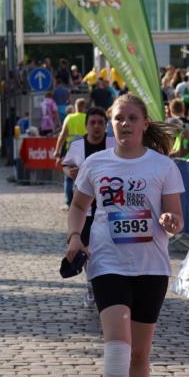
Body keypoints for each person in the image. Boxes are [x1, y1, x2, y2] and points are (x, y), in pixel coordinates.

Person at [64, 93, 184, 377]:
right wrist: (73, 236)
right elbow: (80, 206)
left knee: (139, 355)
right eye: (119, 119)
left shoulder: (163, 166)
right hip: (108, 263)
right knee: (117, 350)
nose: (125, 124)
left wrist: (170, 221)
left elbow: (176, 218)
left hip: (151, 266)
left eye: (133, 118)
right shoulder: (95, 163)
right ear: (110, 124)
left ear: (145, 124)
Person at [62, 106, 117, 307]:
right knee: (85, 247)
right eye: (92, 123)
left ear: (106, 126)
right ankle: (91, 283)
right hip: (85, 206)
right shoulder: (78, 146)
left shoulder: (113, 143)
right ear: (86, 126)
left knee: (104, 246)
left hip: (108, 205)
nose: (96, 127)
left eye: (100, 123)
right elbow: (65, 164)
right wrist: (71, 172)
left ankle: (101, 282)